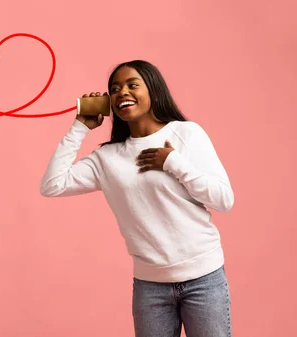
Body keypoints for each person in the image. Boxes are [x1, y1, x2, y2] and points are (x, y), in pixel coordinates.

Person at [40, 60, 234, 337]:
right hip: (150, 286)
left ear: (153, 90)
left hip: (205, 278)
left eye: (133, 85)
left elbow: (224, 200)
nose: (122, 93)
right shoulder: (107, 158)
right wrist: (80, 128)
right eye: (115, 89)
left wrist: (173, 163)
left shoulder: (186, 134)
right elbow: (52, 185)